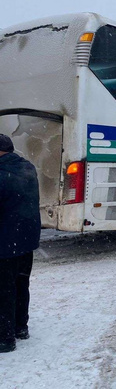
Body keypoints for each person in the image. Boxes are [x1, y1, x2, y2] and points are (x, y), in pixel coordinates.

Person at [0, 134, 41, 353]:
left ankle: (4, 339)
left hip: (5, 242)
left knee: (3, 290)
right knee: (20, 284)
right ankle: (20, 328)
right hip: (26, 240)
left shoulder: (1, 174)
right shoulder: (27, 168)